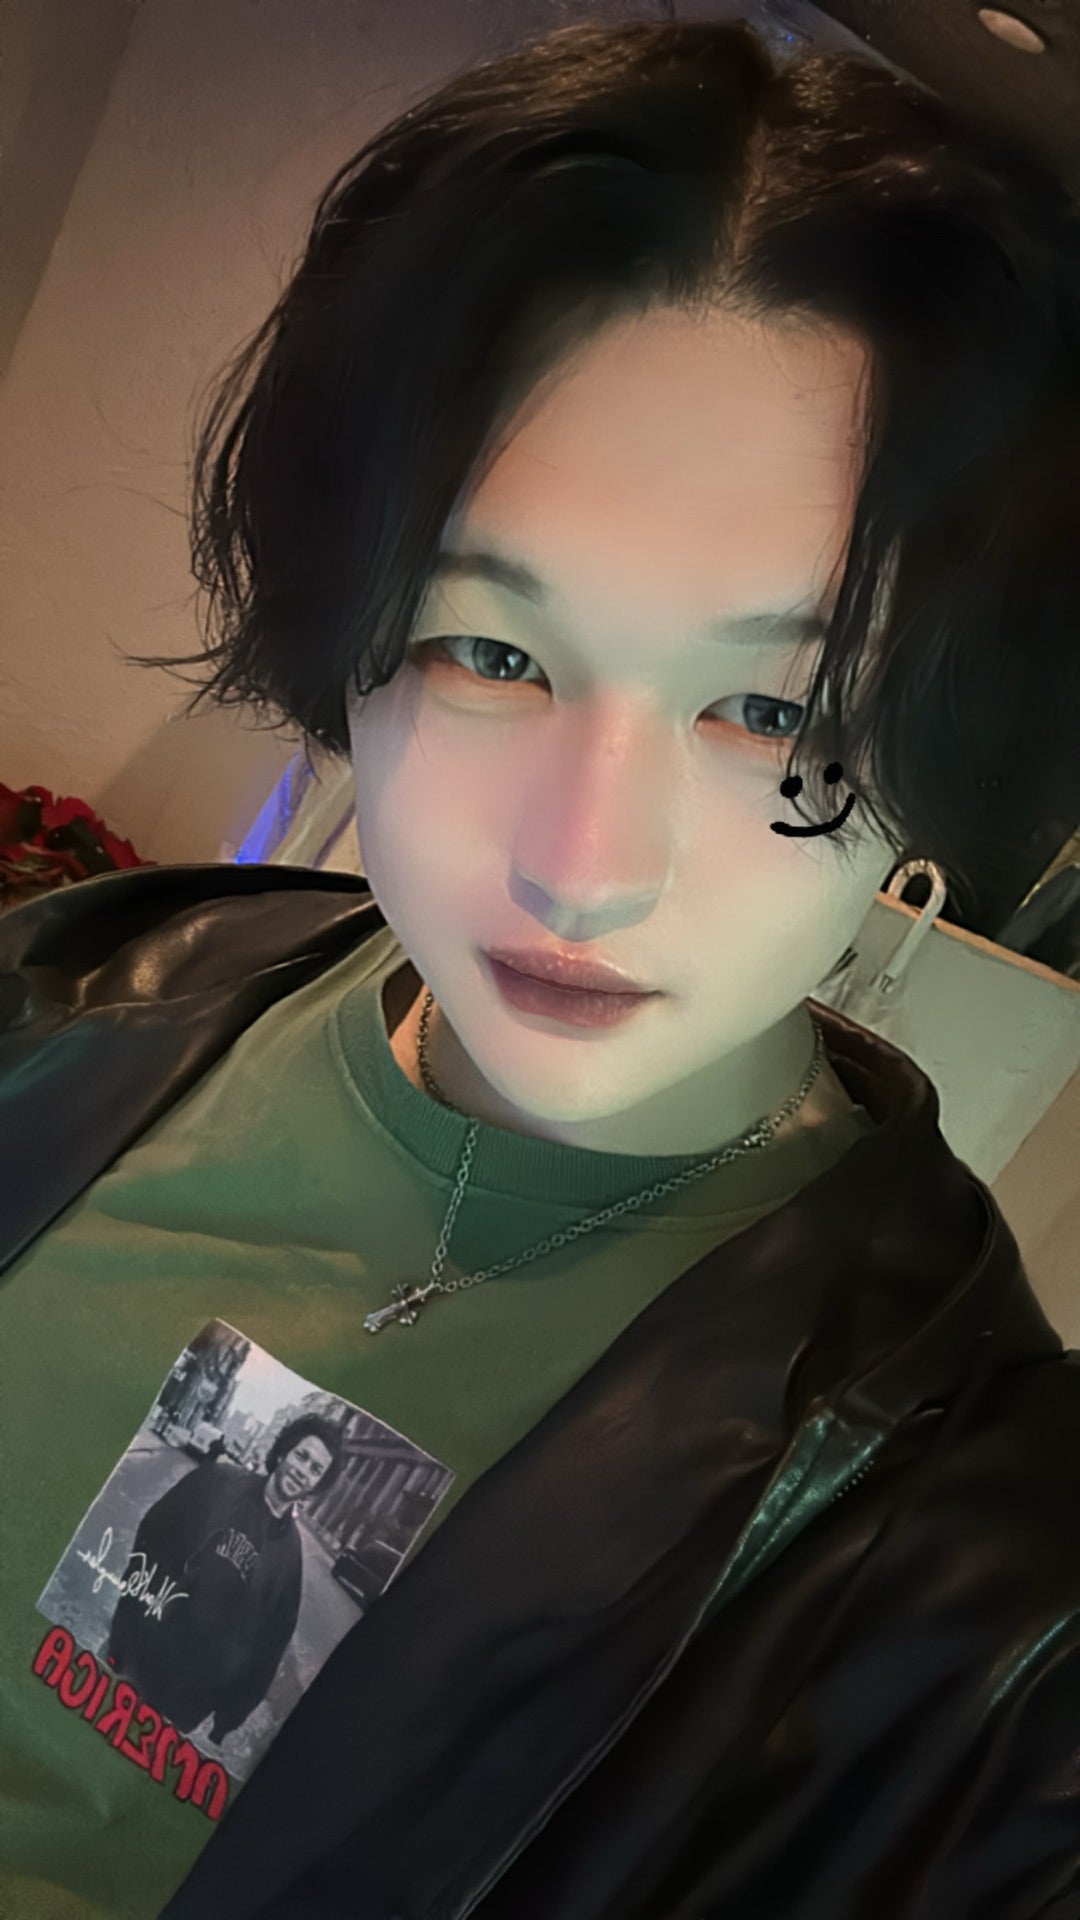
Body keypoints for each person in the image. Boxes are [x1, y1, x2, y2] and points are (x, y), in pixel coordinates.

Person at [1, 17, 1079, 1920]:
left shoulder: (975, 1590)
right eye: (492, 653)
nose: (581, 867)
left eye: (777, 711)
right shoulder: (66, 993)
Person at [104, 1416, 342, 1747]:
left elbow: (270, 1646)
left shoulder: (290, 1558)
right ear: (284, 1452)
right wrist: (130, 1620)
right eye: (302, 1456)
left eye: (315, 1469)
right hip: (139, 1655)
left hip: (185, 1701)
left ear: (317, 1485)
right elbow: (154, 1532)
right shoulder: (217, 1481)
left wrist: (228, 1717)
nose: (303, 1471)